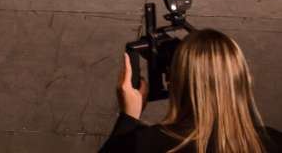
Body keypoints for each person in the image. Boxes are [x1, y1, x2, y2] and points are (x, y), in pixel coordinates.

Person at [102, 29, 282, 152]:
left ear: (173, 83)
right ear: (242, 81)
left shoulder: (146, 144)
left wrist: (128, 117)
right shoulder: (273, 142)